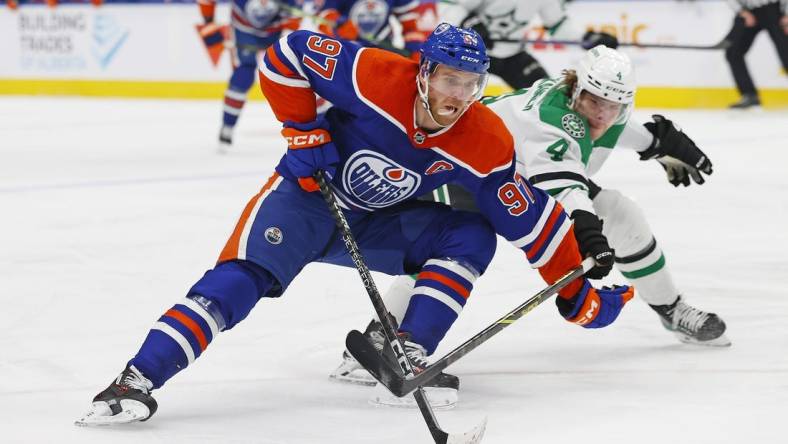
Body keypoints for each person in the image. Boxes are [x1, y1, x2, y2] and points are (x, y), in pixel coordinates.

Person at [75, 23, 634, 426]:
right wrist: (303, 131)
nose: (457, 97)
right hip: (303, 200)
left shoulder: (484, 139)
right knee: (236, 285)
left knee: (468, 233)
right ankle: (136, 380)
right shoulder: (373, 75)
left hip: (374, 225)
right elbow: (284, 54)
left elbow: (529, 219)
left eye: (470, 84)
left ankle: (407, 349)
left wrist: (577, 290)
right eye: (447, 80)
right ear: (424, 72)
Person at [332, 46, 731, 403]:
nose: (602, 113)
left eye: (614, 104)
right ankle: (375, 340)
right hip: (466, 173)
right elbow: (568, 189)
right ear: (575, 89)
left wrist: (656, 142)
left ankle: (671, 308)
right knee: (446, 249)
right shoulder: (551, 120)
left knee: (623, 214)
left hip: (512, 179)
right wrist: (588, 231)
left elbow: (613, 129)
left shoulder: (596, 109)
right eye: (594, 100)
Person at [439, 0, 618, 89]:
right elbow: (453, 9)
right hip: (474, 53)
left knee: (547, 92)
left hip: (513, 57)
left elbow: (559, 25)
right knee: (456, 95)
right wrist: (470, 24)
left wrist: (589, 38)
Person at [197, 0, 302, 152]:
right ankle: (227, 125)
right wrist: (208, 21)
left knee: (288, 75)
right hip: (243, 30)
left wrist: (291, 19)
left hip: (274, 31)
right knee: (244, 75)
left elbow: (295, 13)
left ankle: (305, 130)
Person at [316, 0, 439, 60]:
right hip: (345, 52)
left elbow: (410, 20)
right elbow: (324, 15)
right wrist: (339, 25)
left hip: (382, 50)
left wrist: (415, 48)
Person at [724, 0, 788, 108]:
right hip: (749, 11)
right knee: (733, 52)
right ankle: (749, 95)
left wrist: (786, 14)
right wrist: (741, 11)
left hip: (774, 10)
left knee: (786, 55)